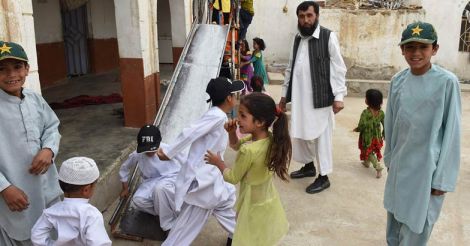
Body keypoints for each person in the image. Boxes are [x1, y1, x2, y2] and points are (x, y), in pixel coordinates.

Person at [383, 21, 461, 245]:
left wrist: (442, 179)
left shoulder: (447, 82)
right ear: (402, 50)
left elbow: (452, 131)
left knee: (418, 226)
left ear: (434, 49)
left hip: (427, 170)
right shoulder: (397, 81)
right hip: (400, 165)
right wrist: (390, 158)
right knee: (395, 219)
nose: (416, 53)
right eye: (410, 47)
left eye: (423, 47)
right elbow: (390, 124)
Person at [157, 77, 245, 246]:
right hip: (204, 183)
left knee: (225, 203)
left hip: (213, 178)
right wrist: (168, 152)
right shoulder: (217, 117)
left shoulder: (218, 116)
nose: (236, 97)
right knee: (183, 231)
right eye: (235, 94)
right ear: (229, 98)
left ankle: (240, 237)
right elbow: (190, 132)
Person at [279, 1, 347, 194]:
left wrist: (339, 96)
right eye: (301, 16)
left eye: (309, 16)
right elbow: (291, 68)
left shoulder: (328, 36)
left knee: (321, 136)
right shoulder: (297, 38)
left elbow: (338, 67)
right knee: (300, 133)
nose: (305, 20)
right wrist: (284, 95)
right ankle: (308, 166)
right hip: (300, 98)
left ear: (316, 16)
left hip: (321, 97)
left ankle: (323, 176)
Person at [205, 92, 290, 245]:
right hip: (265, 197)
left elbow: (232, 177)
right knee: (258, 235)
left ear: (259, 122)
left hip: (250, 201)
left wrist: (218, 162)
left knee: (247, 235)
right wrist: (231, 133)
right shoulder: (269, 137)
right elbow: (235, 145)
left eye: (243, 116)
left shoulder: (249, 151)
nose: (238, 120)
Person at [0, 40, 63, 245]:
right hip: (15, 193)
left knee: (53, 232)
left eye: (17, 67)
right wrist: (4, 188)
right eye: (2, 69)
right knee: (25, 236)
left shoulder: (34, 99)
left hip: (47, 186)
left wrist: (48, 149)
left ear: (27, 69)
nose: (11, 75)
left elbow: (52, 127)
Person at [31, 157, 111, 246]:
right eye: (95, 185)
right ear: (86, 190)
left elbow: (36, 235)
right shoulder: (91, 214)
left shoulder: (50, 212)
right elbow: (99, 243)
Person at [119, 125, 182, 232]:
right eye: (146, 150)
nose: (149, 153)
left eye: (152, 149)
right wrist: (125, 188)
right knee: (137, 201)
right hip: (150, 181)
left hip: (171, 177)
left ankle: (168, 225)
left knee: (160, 189)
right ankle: (165, 212)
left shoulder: (168, 149)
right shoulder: (137, 154)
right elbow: (124, 168)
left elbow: (187, 162)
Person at [353, 89, 384, 178]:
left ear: (367, 101)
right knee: (370, 150)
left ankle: (378, 167)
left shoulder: (365, 113)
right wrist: (384, 133)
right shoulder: (381, 113)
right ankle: (366, 162)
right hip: (377, 136)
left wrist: (357, 129)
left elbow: (362, 125)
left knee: (368, 151)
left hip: (367, 137)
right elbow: (385, 123)